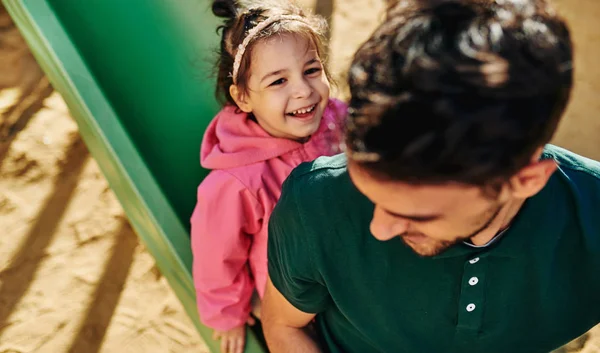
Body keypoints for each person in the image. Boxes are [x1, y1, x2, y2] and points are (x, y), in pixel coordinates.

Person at [263, 0, 600, 352]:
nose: (379, 228)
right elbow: (284, 325)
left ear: (525, 181)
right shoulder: (315, 202)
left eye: (417, 215)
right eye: (368, 191)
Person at [190, 0, 346, 352]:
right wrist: (226, 314)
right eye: (278, 80)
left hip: (347, 265)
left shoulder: (336, 119)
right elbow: (217, 253)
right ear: (243, 97)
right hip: (298, 301)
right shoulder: (237, 180)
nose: (303, 90)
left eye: (311, 70)